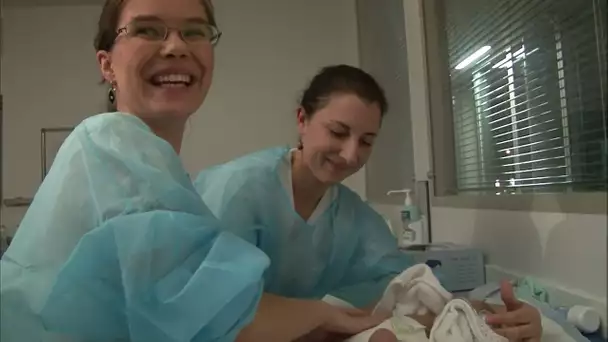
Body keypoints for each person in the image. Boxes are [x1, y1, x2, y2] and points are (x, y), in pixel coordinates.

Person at [0, 1, 386, 341]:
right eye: (147, 30)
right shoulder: (111, 140)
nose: (176, 46)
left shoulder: (155, 165)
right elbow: (215, 316)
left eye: (194, 31)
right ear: (107, 64)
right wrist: (328, 315)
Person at [195, 64, 543, 341]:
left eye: (366, 141)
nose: (350, 154)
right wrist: (321, 316)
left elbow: (411, 290)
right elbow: (207, 309)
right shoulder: (238, 191)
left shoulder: (354, 219)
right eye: (338, 132)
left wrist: (491, 314)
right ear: (303, 120)